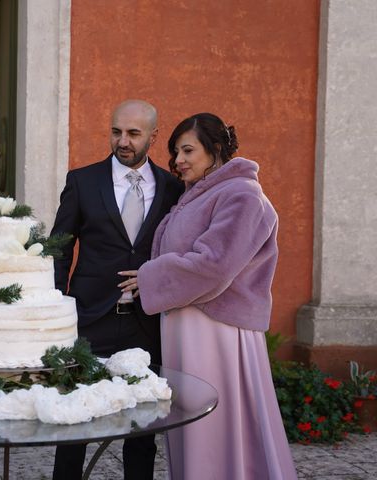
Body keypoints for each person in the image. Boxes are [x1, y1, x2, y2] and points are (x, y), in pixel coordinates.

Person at [119, 112, 297, 479]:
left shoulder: (243, 196)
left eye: (188, 150)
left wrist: (151, 276)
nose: (179, 161)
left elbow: (215, 265)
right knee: (192, 422)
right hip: (188, 327)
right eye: (175, 152)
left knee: (215, 421)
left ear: (215, 150)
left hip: (218, 330)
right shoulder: (196, 196)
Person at [50, 99, 184, 480]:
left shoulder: (173, 188)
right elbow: (59, 247)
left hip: (147, 322)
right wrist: (59, 308)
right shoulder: (82, 180)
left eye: (133, 134)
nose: (122, 141)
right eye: (116, 131)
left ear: (154, 137)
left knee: (142, 429)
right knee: (76, 424)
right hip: (89, 319)